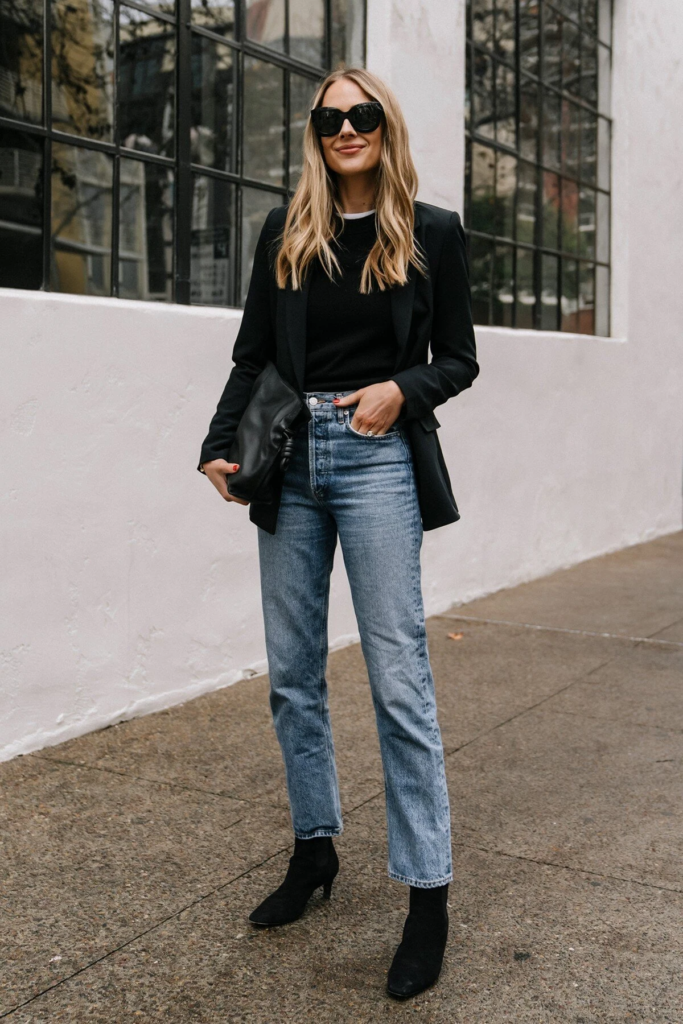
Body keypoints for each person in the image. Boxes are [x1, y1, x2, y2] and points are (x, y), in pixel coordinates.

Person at [198, 66, 478, 1000]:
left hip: (377, 461)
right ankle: (315, 849)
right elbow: (252, 355)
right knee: (292, 674)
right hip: (289, 459)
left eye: (361, 115)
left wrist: (403, 390)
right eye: (329, 118)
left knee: (398, 675)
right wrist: (216, 445)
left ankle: (426, 896)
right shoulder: (283, 232)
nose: (345, 128)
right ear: (315, 133)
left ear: (383, 126)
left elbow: (459, 360)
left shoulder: (429, 231)